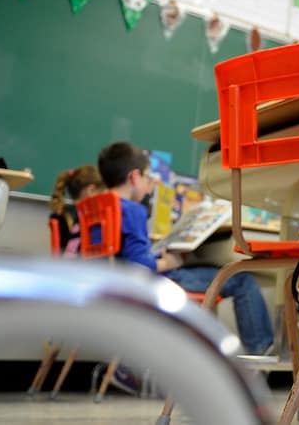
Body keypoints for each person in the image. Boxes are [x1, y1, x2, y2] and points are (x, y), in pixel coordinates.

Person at [96, 142, 275, 357]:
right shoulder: (132, 210)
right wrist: (169, 262)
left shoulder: (100, 207)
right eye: (147, 177)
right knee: (242, 279)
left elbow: (122, 256)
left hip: (115, 282)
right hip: (153, 282)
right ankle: (261, 353)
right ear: (134, 177)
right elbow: (141, 266)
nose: (149, 184)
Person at [48, 165, 103, 257]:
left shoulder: (62, 213)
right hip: (81, 268)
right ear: (91, 190)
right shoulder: (87, 217)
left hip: (64, 268)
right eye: (101, 194)